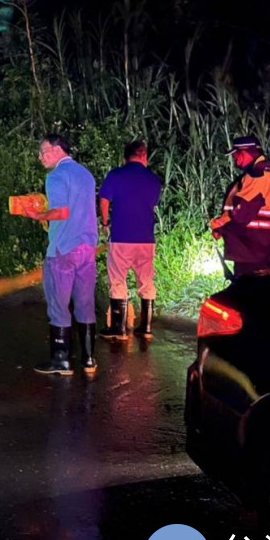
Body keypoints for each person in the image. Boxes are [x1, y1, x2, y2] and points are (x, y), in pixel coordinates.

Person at [31, 134, 100, 376]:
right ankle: (89, 359)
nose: (40, 157)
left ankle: (61, 361)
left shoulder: (56, 176)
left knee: (58, 305)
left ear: (58, 149)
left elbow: (60, 212)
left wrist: (38, 215)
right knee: (85, 303)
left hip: (63, 249)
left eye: (43, 151)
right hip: (87, 249)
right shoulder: (86, 175)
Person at [98, 139, 163, 340]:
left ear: (125, 157)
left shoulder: (116, 175)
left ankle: (119, 329)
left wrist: (106, 222)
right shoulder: (153, 180)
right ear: (144, 156)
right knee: (146, 279)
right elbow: (153, 203)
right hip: (146, 239)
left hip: (122, 237)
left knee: (118, 279)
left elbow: (104, 200)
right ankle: (146, 327)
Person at [210, 135, 270, 278]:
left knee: (247, 291)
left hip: (250, 247)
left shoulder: (257, 176)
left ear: (245, 152)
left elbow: (242, 214)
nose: (236, 160)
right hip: (264, 246)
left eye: (236, 155)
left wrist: (221, 226)